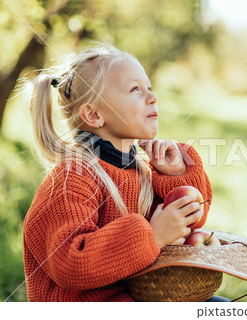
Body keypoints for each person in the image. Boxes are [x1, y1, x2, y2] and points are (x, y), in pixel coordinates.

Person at [23, 44, 214, 302]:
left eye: (150, 87)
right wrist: (153, 235)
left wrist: (175, 175)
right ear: (93, 114)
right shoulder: (71, 179)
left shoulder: (143, 172)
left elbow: (192, 223)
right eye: (135, 89)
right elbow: (70, 262)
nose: (152, 97)